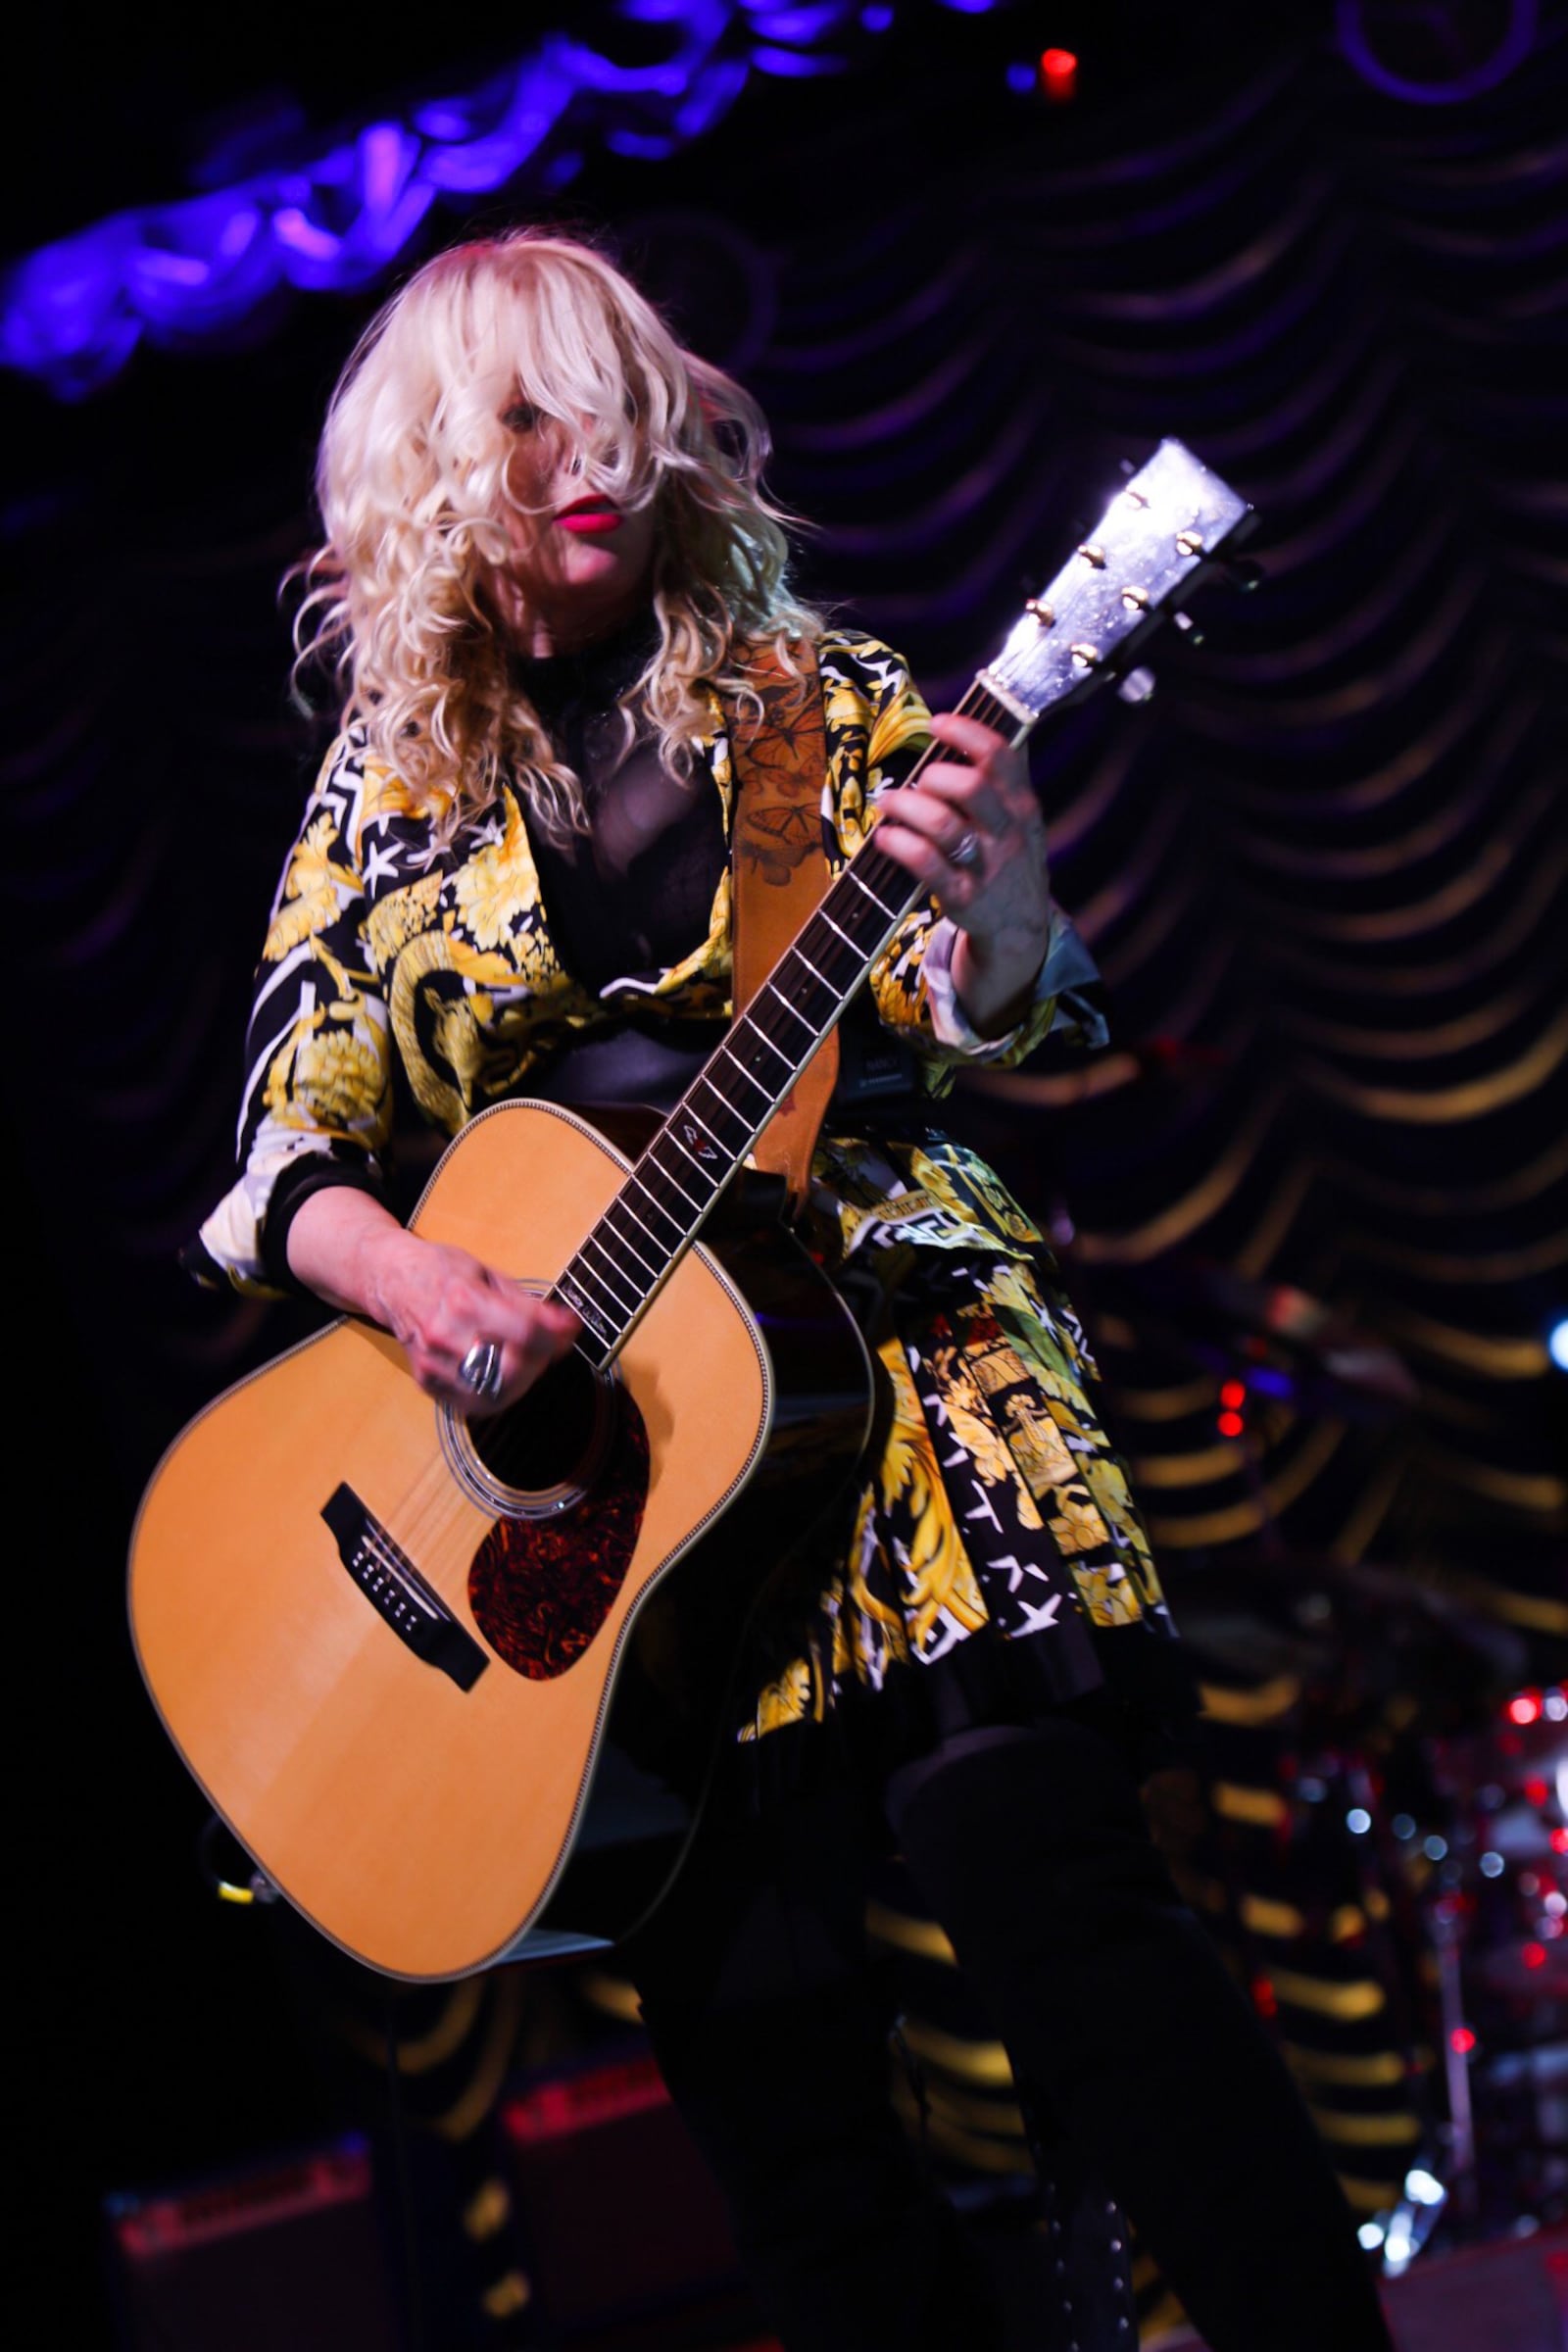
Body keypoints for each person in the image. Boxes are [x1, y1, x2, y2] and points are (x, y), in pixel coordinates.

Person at [192, 231, 1394, 2351]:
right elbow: (290, 1158)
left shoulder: (805, 709)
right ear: (430, 478)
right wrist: (426, 1294)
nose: (589, 453)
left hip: (896, 1393)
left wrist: (998, 889)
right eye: (523, 416)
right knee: (785, 2118)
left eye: (614, 399)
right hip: (614, 1523)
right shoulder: (376, 799)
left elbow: (1006, 1016)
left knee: (1067, 1933)